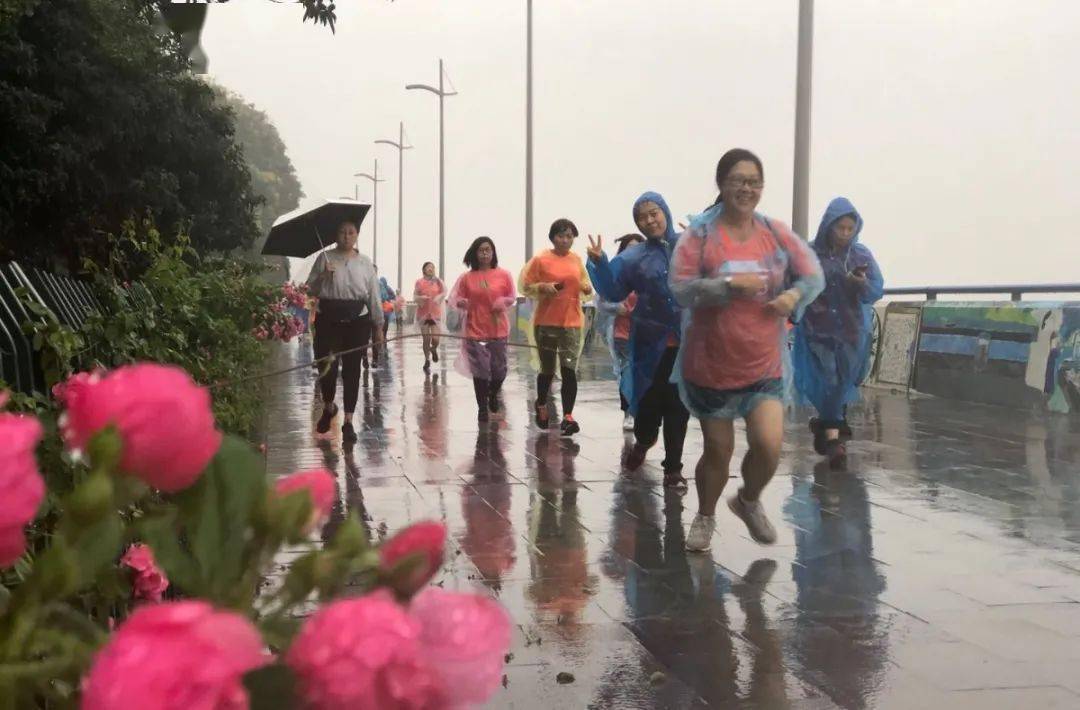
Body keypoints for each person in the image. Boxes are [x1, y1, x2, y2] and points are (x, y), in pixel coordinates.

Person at [669, 149, 823, 551]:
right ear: (721, 184)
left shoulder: (774, 232)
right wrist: (726, 287)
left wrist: (792, 295)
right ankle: (705, 515)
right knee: (719, 451)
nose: (746, 188)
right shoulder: (700, 235)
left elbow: (812, 274)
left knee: (770, 445)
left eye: (754, 181)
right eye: (738, 180)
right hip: (710, 365)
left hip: (763, 363)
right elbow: (680, 288)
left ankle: (748, 500)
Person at [588, 192, 690, 489]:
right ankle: (643, 442)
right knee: (648, 405)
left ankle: (673, 468)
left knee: (677, 408)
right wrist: (600, 264)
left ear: (666, 212)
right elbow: (613, 290)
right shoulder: (635, 256)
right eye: (642, 217)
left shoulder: (689, 245)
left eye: (653, 213)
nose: (649, 220)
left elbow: (716, 266)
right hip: (650, 344)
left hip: (685, 345)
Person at [793, 197, 884, 465]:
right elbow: (797, 283)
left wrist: (860, 284)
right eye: (840, 227)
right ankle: (834, 439)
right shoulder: (810, 254)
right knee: (829, 378)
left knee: (844, 380)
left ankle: (825, 424)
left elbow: (876, 289)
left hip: (851, 329)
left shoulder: (860, 255)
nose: (845, 233)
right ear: (828, 226)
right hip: (817, 329)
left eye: (849, 228)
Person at [305, 218, 384, 444]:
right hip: (328, 318)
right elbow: (309, 289)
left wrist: (378, 327)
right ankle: (329, 407)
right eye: (342, 232)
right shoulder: (325, 258)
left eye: (351, 232)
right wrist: (322, 276)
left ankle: (348, 421)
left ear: (357, 235)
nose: (347, 236)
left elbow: (373, 296)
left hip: (357, 320)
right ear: (335, 235)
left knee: (352, 370)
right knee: (326, 367)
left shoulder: (365, 263)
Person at [519, 218, 593, 435]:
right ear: (553, 237)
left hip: (571, 322)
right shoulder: (541, 259)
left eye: (570, 236)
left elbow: (584, 284)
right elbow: (525, 285)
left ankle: (568, 417)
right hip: (546, 322)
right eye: (561, 235)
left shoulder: (576, 260)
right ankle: (541, 403)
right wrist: (543, 286)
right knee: (548, 369)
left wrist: (586, 287)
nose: (565, 240)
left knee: (570, 369)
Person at [448, 236, 518, 422]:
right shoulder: (466, 278)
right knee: (481, 370)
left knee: (499, 370)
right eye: (481, 250)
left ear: (493, 252)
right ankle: (482, 409)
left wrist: (503, 301)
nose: (485, 253)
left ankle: (493, 394)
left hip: (498, 329)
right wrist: (462, 302)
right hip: (474, 329)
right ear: (475, 253)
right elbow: (454, 298)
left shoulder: (504, 275)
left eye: (488, 249)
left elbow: (512, 296)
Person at [593, 234, 643, 430]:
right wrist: (617, 308)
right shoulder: (616, 275)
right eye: (629, 248)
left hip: (646, 333)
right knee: (627, 373)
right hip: (622, 333)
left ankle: (642, 411)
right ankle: (629, 413)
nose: (634, 252)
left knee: (644, 374)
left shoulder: (650, 272)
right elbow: (601, 300)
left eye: (638, 248)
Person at [413, 262, 445, 372]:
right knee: (426, 339)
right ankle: (427, 360)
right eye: (428, 267)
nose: (431, 269)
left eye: (432, 267)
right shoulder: (419, 282)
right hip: (423, 315)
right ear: (424, 270)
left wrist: (440, 297)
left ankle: (433, 348)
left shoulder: (438, 281)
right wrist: (420, 297)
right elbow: (414, 296)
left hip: (436, 314)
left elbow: (445, 292)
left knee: (436, 339)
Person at [368, 271, 396, 368]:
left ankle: (371, 357)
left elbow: (387, 297)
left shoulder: (380, 285)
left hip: (372, 312)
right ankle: (374, 358)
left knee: (373, 334)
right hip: (379, 311)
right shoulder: (380, 284)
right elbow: (385, 297)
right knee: (377, 333)